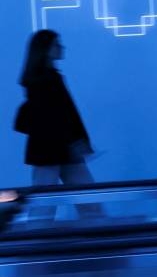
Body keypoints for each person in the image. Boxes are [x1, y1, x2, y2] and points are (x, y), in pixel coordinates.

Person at [15, 30, 102, 220]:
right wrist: (77, 142)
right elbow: (62, 116)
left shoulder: (40, 80)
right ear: (46, 49)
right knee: (86, 201)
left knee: (46, 205)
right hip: (59, 150)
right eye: (57, 44)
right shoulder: (47, 80)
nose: (62, 47)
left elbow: (60, 116)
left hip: (50, 151)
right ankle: (99, 240)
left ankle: (37, 243)